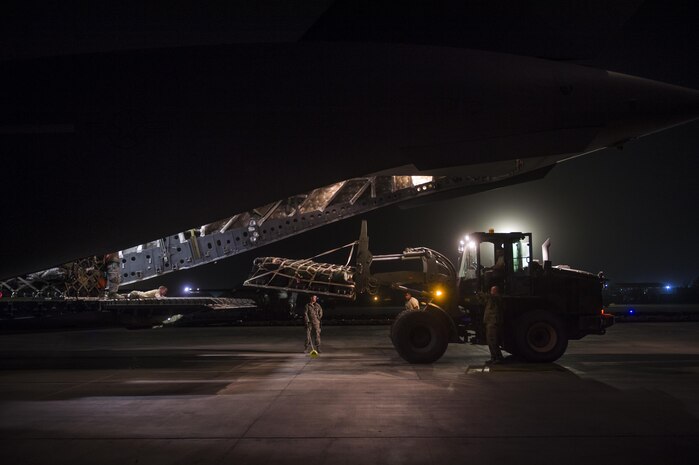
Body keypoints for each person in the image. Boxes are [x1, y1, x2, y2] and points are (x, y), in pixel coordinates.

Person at [484, 285, 504, 364]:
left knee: (493, 340)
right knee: (490, 341)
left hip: (493, 322)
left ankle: (498, 358)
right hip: (489, 322)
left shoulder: (497, 298)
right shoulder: (491, 299)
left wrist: (487, 295)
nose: (491, 292)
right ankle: (493, 357)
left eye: (493, 290)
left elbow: (494, 299)